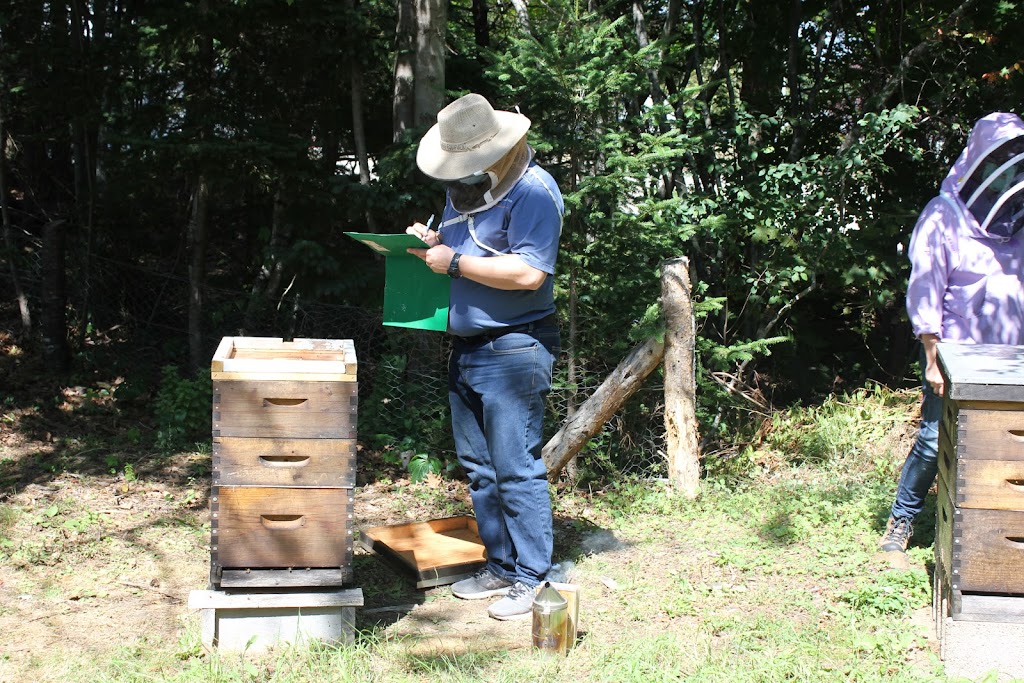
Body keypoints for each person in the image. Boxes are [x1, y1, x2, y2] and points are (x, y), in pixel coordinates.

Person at [405, 93, 563, 619]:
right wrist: (431, 245)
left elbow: (528, 273)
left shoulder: (535, 192)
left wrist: (451, 266)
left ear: (496, 151)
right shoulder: (466, 188)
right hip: (468, 347)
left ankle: (533, 579)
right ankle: (500, 565)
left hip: (516, 348)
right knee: (479, 468)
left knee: (517, 467)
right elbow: (463, 249)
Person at [880, 111, 1024, 553]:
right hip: (955, 355)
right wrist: (932, 358)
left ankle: (991, 534)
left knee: (1006, 452)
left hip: (1012, 359)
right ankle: (901, 521)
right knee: (932, 439)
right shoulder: (943, 216)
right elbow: (926, 289)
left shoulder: (1018, 220)